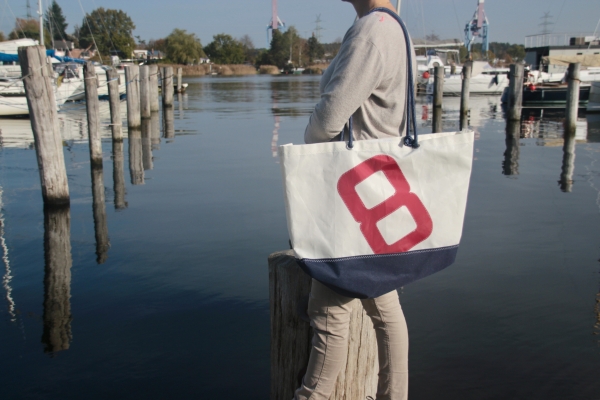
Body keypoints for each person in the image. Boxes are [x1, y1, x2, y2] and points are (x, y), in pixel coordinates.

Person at [294, 1, 416, 400]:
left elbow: (330, 119)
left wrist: (305, 145)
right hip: (377, 191)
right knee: (385, 308)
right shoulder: (393, 27)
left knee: (328, 314)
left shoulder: (373, 30)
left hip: (353, 194)